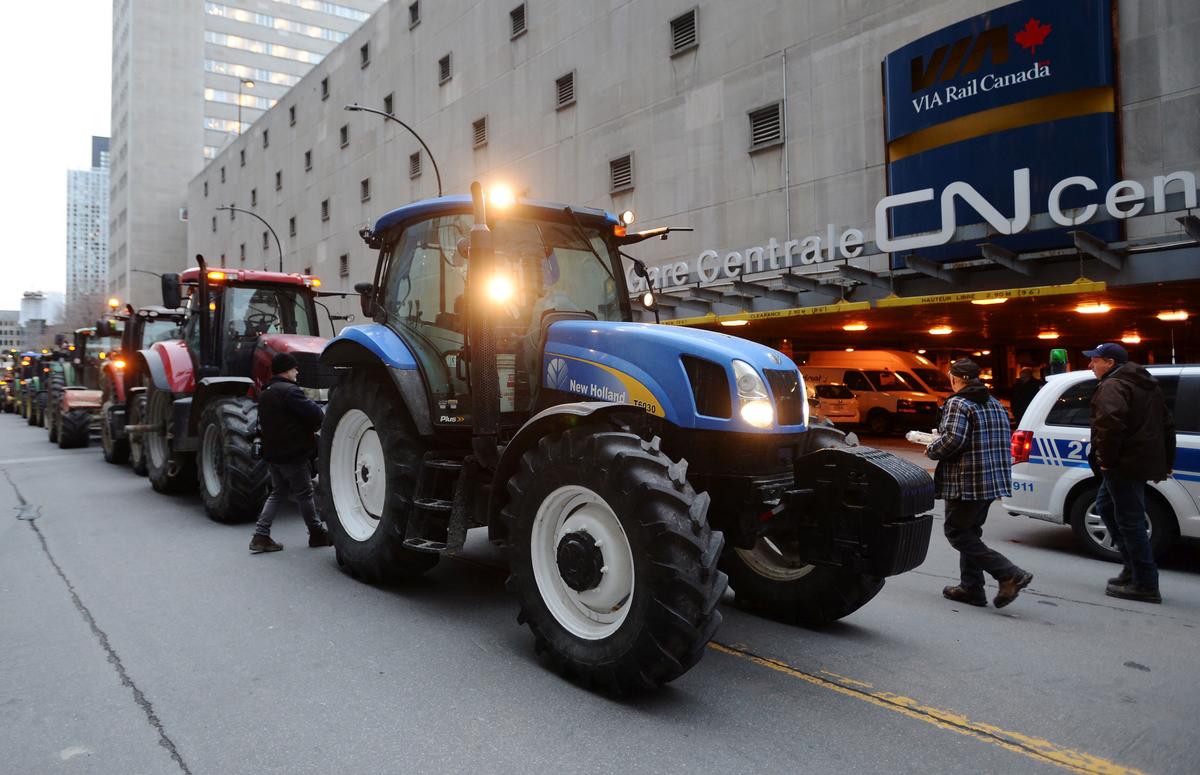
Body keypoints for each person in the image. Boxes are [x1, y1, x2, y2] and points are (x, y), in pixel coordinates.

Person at [926, 358, 1033, 608]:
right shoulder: (994, 402)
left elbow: (953, 440)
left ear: (956, 379)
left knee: (957, 533)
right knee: (970, 532)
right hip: (991, 480)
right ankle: (971, 588)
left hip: (967, 480)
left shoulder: (958, 403)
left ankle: (1009, 573)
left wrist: (932, 448)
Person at [1084, 342, 1175, 604]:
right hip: (1136, 462)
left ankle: (1145, 583)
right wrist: (1166, 461)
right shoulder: (1145, 384)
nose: (1090, 365)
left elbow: (1109, 425)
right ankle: (1132, 568)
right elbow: (1167, 424)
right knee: (1106, 506)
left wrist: (1107, 462)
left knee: (1130, 521)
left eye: (1095, 360)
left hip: (1123, 464)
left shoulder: (1113, 385)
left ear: (1110, 363)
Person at [249, 352, 333, 553]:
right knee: (305, 493)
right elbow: (315, 414)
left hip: (273, 454)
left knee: (278, 492)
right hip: (293, 453)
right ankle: (316, 533)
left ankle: (261, 534)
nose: (297, 371)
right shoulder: (290, 391)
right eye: (294, 368)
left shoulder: (266, 392)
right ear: (286, 370)